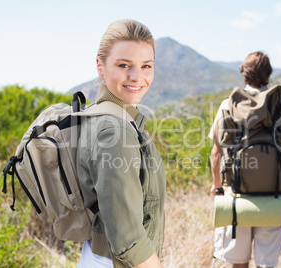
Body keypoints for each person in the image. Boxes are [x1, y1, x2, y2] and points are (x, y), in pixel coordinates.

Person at [76, 19, 166, 268]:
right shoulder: (114, 129)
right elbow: (128, 241)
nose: (137, 77)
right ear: (100, 67)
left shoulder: (105, 115)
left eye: (146, 66)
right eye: (124, 65)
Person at [209, 51, 281, 268]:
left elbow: (216, 153)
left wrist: (217, 186)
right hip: (276, 193)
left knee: (238, 262)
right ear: (269, 74)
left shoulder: (228, 105)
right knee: (266, 263)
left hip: (237, 194)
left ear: (244, 73)